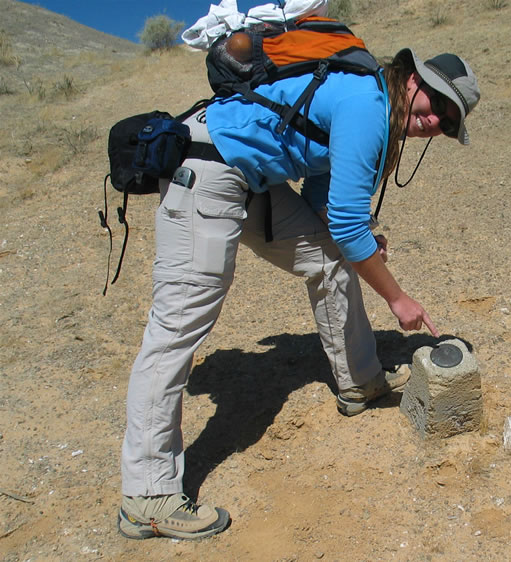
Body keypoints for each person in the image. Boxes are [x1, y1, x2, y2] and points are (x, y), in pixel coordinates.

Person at [117, 47, 480, 540]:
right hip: (208, 167)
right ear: (412, 78)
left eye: (448, 120)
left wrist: (362, 235)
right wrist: (398, 298)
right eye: (437, 103)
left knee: (329, 258)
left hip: (252, 181)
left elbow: (324, 202)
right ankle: (147, 494)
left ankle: (360, 380)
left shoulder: (372, 101)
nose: (434, 120)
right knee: (178, 326)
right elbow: (348, 227)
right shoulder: (368, 105)